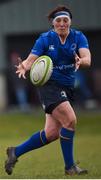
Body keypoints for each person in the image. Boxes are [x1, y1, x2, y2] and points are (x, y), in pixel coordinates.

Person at [5, 5, 91, 176]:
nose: (62, 23)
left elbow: (87, 59)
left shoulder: (78, 37)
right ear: (53, 24)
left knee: (51, 133)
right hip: (49, 86)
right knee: (70, 120)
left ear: (70, 22)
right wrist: (24, 67)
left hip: (67, 87)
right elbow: (30, 61)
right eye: (58, 20)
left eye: (65, 20)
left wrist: (81, 61)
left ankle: (15, 152)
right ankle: (70, 167)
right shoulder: (44, 39)